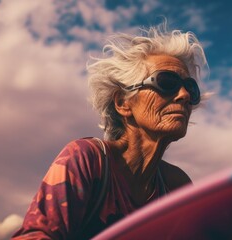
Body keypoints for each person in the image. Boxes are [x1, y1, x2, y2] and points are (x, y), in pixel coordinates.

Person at [12, 24, 208, 239]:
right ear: (123, 102)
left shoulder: (175, 185)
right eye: (167, 82)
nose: (184, 95)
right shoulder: (87, 159)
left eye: (190, 88)